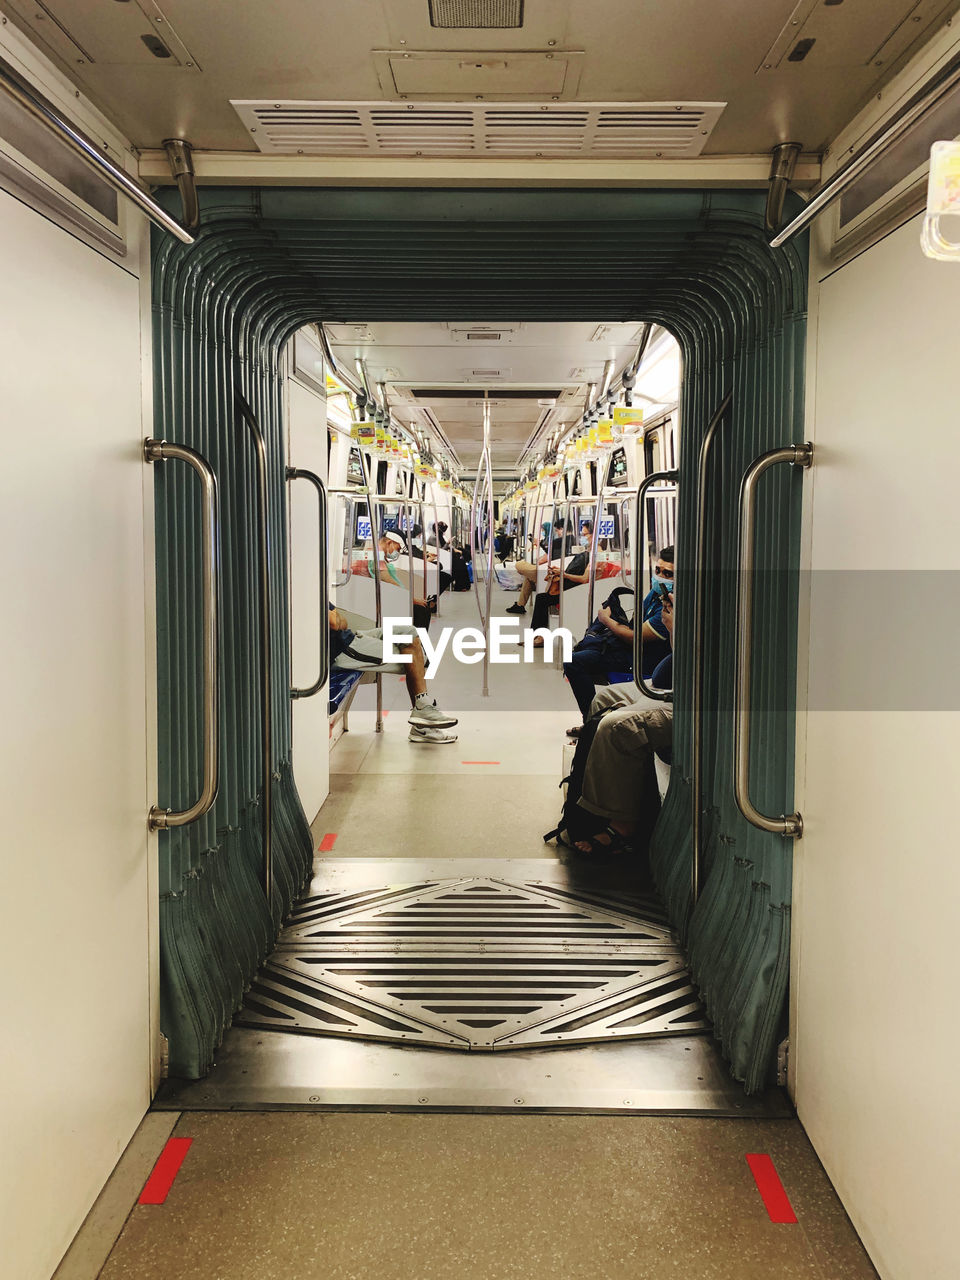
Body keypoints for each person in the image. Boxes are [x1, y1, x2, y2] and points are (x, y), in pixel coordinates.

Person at [573, 593, 674, 856]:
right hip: (669, 684)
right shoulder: (671, 602)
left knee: (617, 727)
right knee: (605, 696)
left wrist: (673, 627)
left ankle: (622, 828)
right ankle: (589, 799)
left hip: (686, 698)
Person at [562, 545, 674, 728]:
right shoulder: (656, 593)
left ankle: (591, 725)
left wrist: (606, 620)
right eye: (658, 570)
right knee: (583, 653)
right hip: (631, 651)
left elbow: (633, 637)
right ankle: (592, 721)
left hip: (643, 660)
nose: (661, 576)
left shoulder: (669, 610)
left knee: (576, 662)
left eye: (668, 574)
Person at [328, 604, 458, 743]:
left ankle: (422, 714)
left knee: (410, 632)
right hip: (341, 650)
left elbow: (343, 621)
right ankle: (422, 721)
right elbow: (335, 622)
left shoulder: (317, 591)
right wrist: (338, 619)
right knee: (417, 657)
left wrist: (338, 619)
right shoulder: (310, 594)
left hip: (350, 636)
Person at [506, 519, 570, 615]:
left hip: (549, 573)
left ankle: (520, 605)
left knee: (519, 564)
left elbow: (543, 559)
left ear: (562, 529)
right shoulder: (572, 541)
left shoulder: (558, 542)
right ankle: (520, 605)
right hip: (555, 570)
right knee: (528, 579)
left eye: (557, 530)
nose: (557, 533)